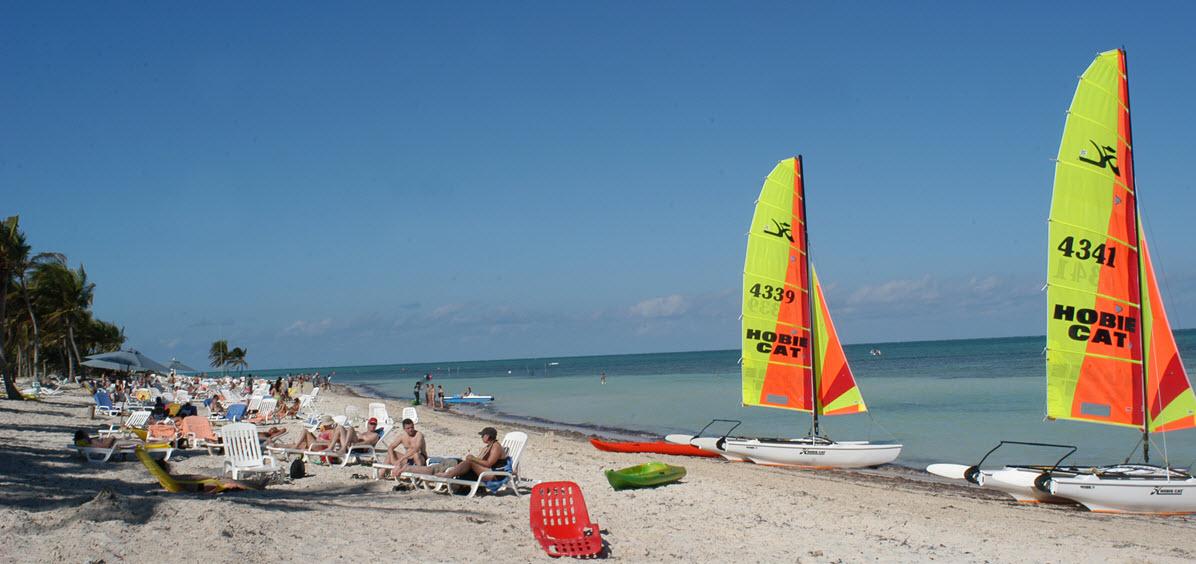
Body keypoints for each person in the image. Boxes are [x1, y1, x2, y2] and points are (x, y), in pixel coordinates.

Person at [434, 426, 505, 480]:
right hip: (486, 471)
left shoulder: (496, 447)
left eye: (482, 435)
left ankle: (448, 475)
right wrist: (472, 459)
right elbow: (480, 460)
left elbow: (489, 464)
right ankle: (449, 474)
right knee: (466, 461)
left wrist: (473, 459)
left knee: (470, 462)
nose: (481, 437)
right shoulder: (487, 447)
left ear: (487, 437)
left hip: (494, 474)